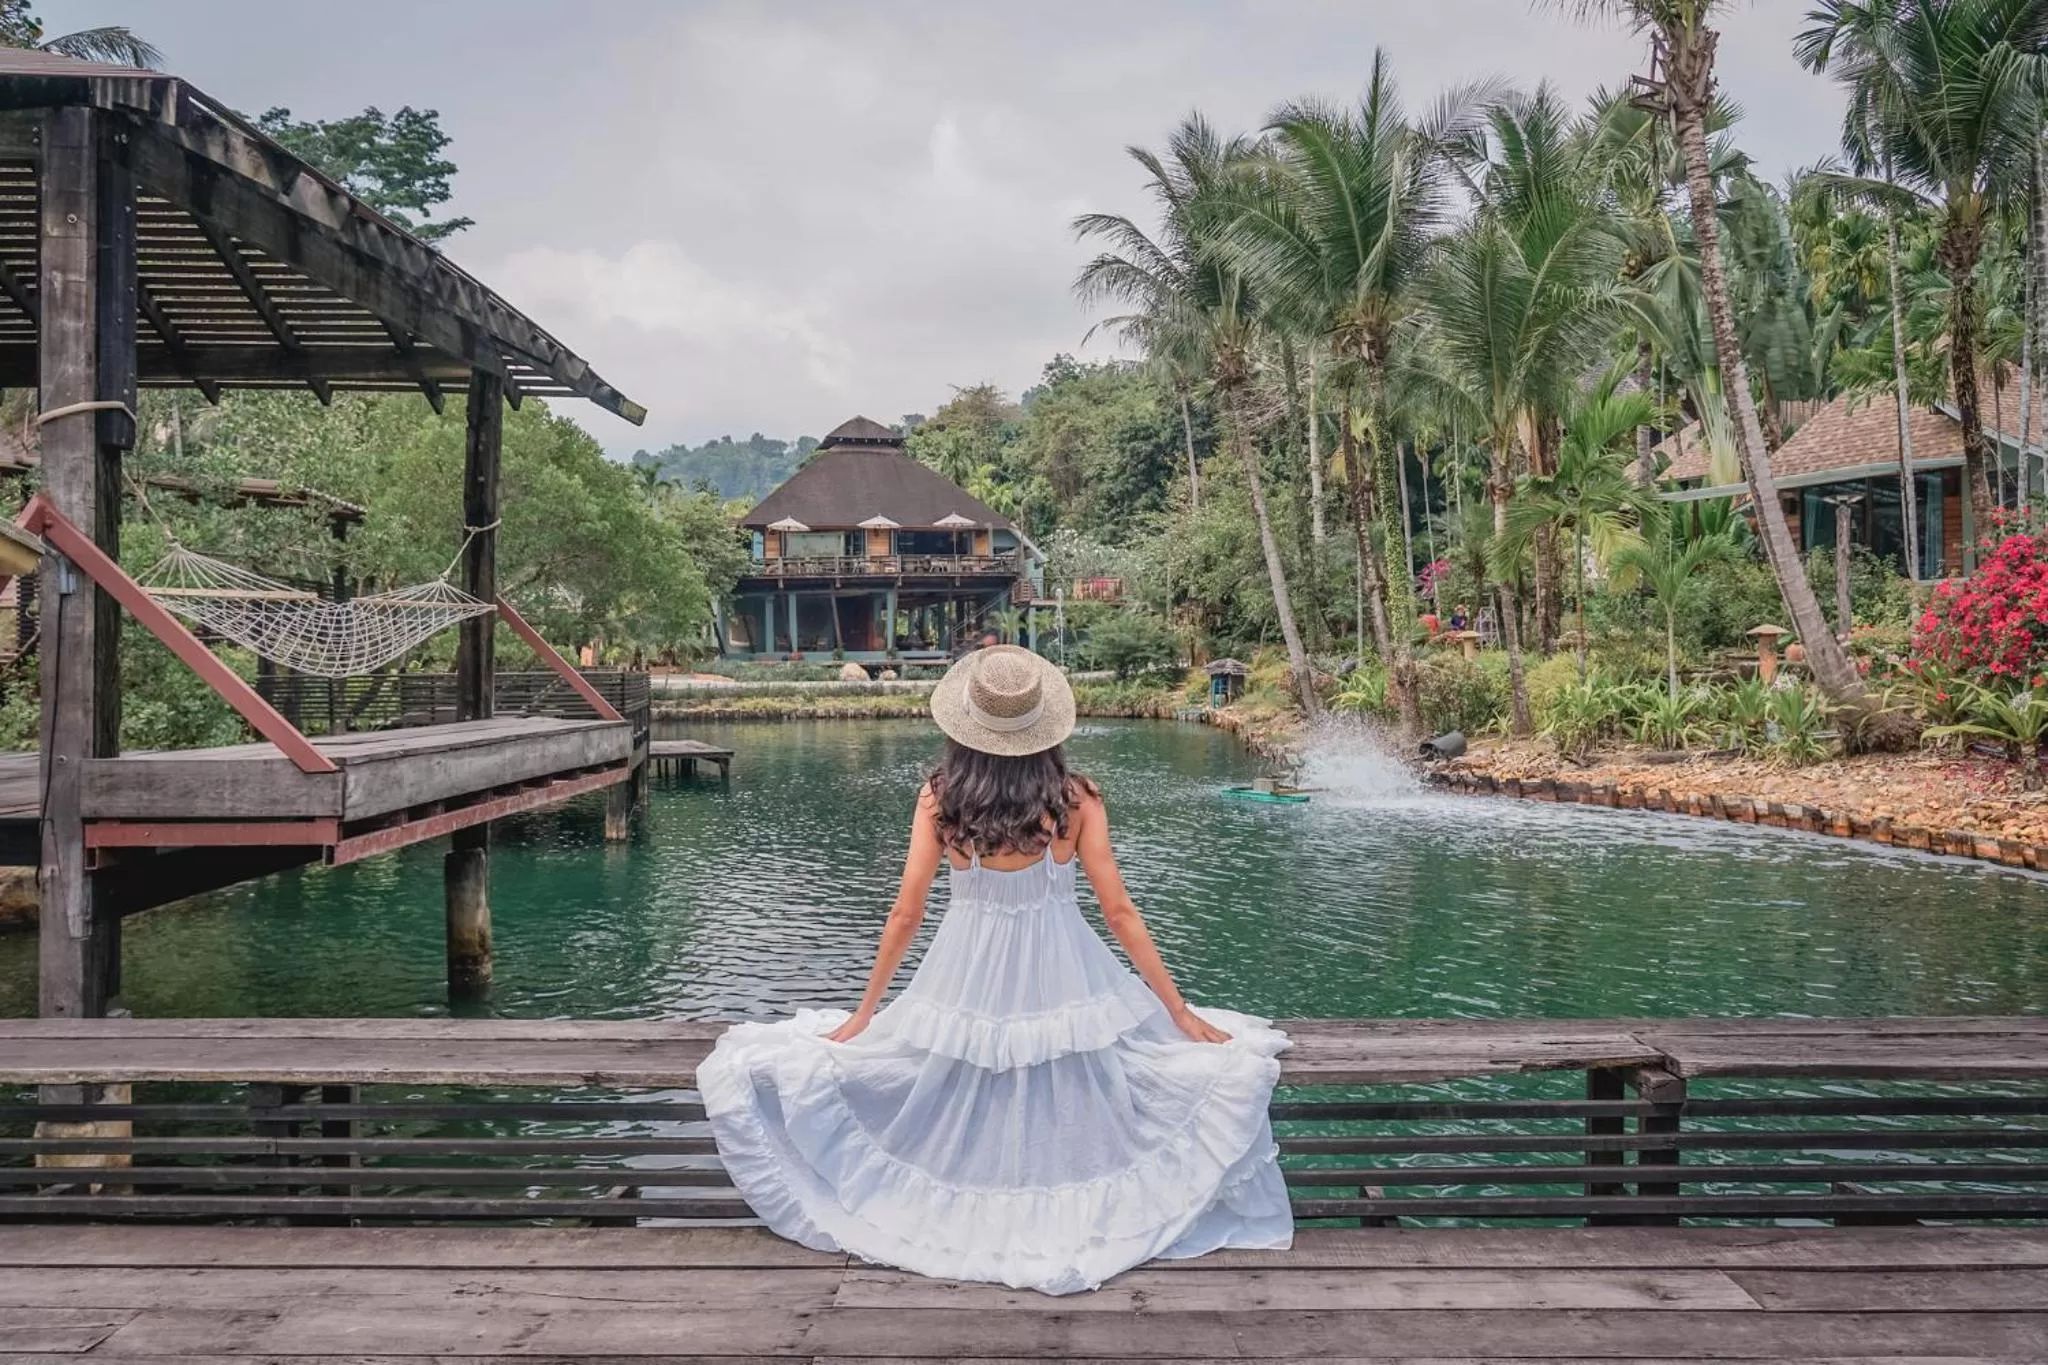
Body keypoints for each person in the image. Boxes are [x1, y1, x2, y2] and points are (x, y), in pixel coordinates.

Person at [697, 646, 1291, 1295]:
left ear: (967, 727)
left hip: (963, 976)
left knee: (928, 1070)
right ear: (1045, 727)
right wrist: (1176, 1011)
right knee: (1114, 1070)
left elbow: (906, 913)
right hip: (1065, 973)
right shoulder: (1077, 799)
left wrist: (867, 1013)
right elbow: (1119, 911)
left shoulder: (941, 799)